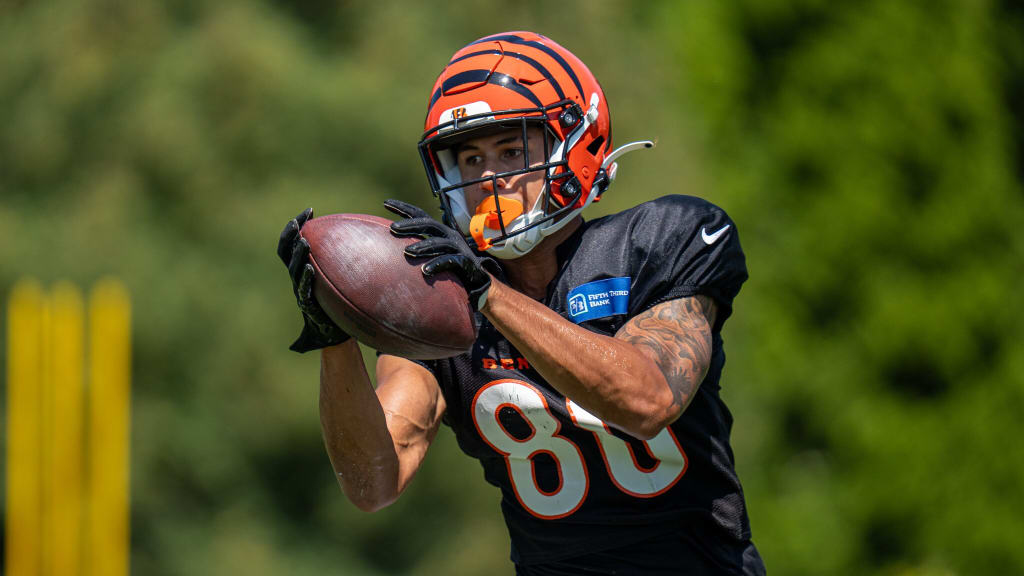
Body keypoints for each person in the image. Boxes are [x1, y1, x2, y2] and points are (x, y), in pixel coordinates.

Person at [278, 31, 765, 575]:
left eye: (511, 150)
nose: (489, 176)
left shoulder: (663, 238)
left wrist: (491, 295)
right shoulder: (443, 298)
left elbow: (646, 402)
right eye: (468, 158)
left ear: (575, 143)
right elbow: (374, 482)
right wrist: (335, 337)